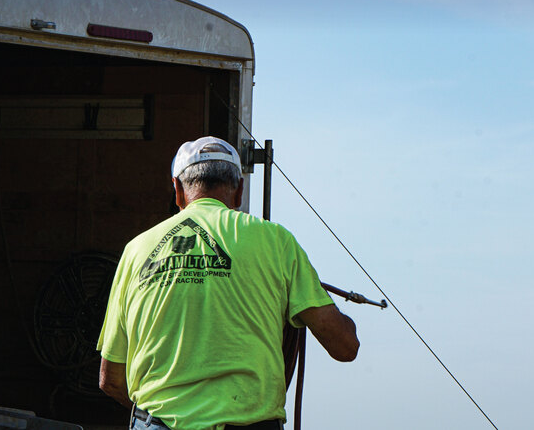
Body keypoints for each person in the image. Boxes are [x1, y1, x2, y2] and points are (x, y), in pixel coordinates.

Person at [98, 136, 359, 430]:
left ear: (177, 191)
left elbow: (111, 380)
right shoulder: (275, 240)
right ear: (239, 192)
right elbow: (345, 346)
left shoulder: (136, 250)